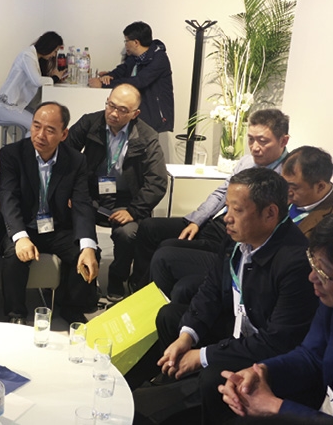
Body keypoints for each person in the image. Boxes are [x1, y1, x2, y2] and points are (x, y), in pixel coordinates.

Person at [132, 168, 318, 425]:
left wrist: (203, 356)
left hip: (271, 353)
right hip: (239, 330)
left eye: (237, 210)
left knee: (213, 376)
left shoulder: (294, 262)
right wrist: (187, 338)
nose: (226, 218)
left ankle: (186, 400)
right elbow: (210, 289)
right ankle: (175, 388)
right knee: (170, 316)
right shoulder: (238, 238)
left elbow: (277, 341)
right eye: (227, 207)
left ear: (270, 213)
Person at [132, 109, 291, 290]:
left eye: (262, 141)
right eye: (250, 139)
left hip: (234, 236)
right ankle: (137, 288)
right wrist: (196, 220)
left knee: (166, 250)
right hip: (215, 222)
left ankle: (148, 297)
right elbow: (221, 192)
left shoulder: (287, 175)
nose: (254, 147)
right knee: (150, 228)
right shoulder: (246, 161)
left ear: (283, 141)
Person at [152, 145, 333, 304]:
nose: (286, 191)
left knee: (182, 283)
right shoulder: (285, 195)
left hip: (265, 271)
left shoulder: (327, 222)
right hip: (239, 248)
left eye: (293, 187)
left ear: (320, 186)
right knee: (165, 249)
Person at [219, 214, 333, 420]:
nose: (312, 277)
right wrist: (263, 372)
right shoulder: (328, 304)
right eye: (312, 263)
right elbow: (311, 356)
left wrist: (276, 406)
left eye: (322, 272)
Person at [0, 101, 99, 325]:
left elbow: (82, 203)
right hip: (24, 225)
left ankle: (71, 309)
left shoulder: (76, 160)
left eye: (50, 130)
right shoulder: (12, 154)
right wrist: (20, 236)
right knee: (14, 255)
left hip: (57, 227)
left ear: (64, 134)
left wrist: (88, 245)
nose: (40, 135)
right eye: (36, 126)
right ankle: (15, 315)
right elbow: (7, 196)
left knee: (85, 251)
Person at [67, 83, 167, 301]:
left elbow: (157, 181)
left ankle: (117, 278)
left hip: (126, 199)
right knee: (68, 222)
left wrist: (134, 210)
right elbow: (65, 156)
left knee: (127, 233)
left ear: (135, 114)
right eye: (111, 105)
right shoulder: (89, 123)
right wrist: (69, 193)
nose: (113, 113)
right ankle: (81, 282)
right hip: (90, 193)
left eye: (122, 110)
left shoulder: (147, 136)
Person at [90, 21, 174, 133]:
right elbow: (121, 70)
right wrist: (108, 76)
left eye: (126, 41)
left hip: (153, 114)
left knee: (146, 142)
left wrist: (104, 85)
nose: (125, 44)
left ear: (136, 42)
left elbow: (139, 81)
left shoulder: (159, 58)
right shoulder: (134, 58)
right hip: (138, 111)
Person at [0, 31, 65, 133]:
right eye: (55, 51)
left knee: (43, 122)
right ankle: (28, 144)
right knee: (38, 127)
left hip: (15, 106)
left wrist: (53, 78)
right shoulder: (27, 56)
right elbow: (37, 81)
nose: (54, 55)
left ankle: (29, 144)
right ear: (48, 46)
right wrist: (55, 78)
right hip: (5, 106)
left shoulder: (34, 58)